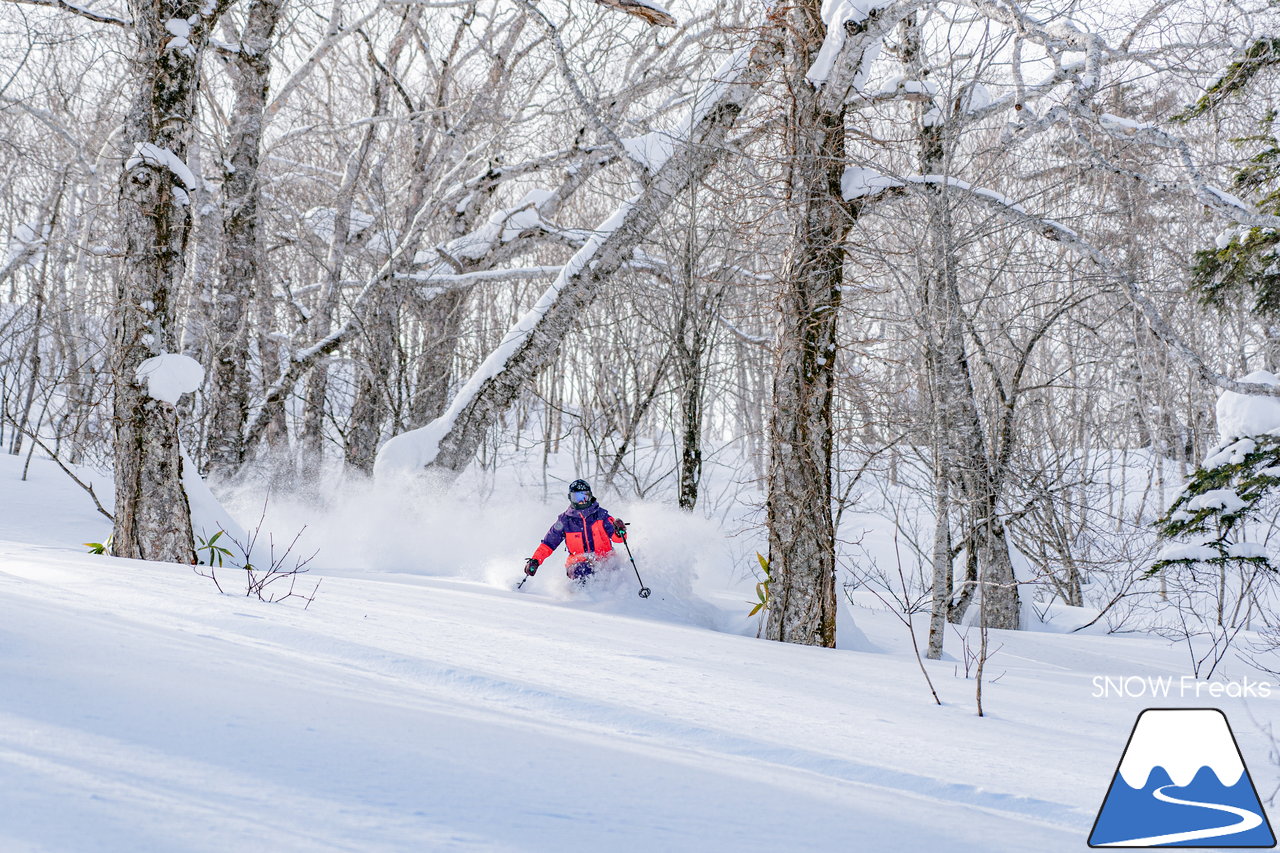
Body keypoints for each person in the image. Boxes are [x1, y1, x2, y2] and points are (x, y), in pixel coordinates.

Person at [525, 479, 628, 582]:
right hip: (578, 564)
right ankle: (582, 596)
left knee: (614, 571)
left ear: (590, 496)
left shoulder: (601, 516)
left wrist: (620, 531)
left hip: (605, 561)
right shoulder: (565, 521)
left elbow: (618, 539)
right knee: (583, 570)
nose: (581, 501)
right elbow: (548, 543)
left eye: (584, 496)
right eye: (577, 498)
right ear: (570, 498)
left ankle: (616, 594)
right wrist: (535, 560)